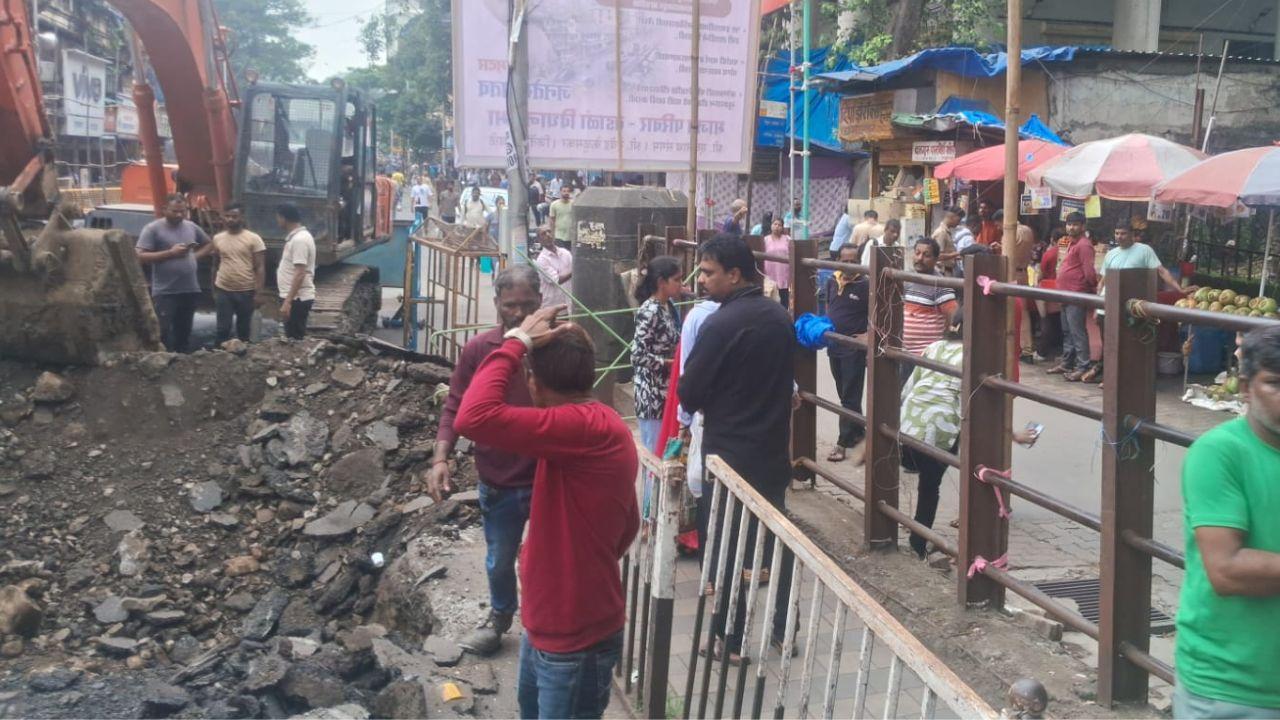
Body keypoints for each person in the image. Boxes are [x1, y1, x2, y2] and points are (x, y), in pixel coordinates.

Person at [453, 307, 639, 720]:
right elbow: (629, 522)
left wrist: (514, 342)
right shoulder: (596, 424)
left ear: (533, 383)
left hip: (574, 640)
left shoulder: (580, 428)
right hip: (550, 627)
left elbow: (472, 416)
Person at [678, 234, 795, 663]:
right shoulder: (778, 316)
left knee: (728, 548)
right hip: (770, 451)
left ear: (735, 274)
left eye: (708, 272)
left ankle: (730, 639)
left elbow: (689, 393)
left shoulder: (719, 324)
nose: (702, 280)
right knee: (776, 542)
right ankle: (785, 628)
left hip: (728, 456)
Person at [429, 266, 542, 657]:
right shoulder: (481, 350)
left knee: (544, 561)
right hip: (498, 479)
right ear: (496, 304)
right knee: (499, 560)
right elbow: (455, 403)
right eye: (511, 305)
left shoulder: (554, 346)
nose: (519, 313)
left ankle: (543, 627)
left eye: (528, 305)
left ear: (541, 303)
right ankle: (499, 617)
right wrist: (440, 458)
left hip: (546, 477)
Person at [1174, 325, 1280, 719]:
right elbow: (1227, 571)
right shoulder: (1219, 453)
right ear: (1245, 388)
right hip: (1232, 688)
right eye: (1275, 383)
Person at [899, 319, 1039, 558]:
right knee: (930, 486)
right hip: (941, 427)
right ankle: (918, 543)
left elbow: (907, 389)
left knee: (920, 474)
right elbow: (976, 406)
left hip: (910, 420)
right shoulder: (974, 357)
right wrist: (1014, 435)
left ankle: (909, 531)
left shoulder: (934, 346)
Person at [135, 193, 210, 353]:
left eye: (183, 211)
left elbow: (209, 244)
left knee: (184, 331)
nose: (179, 215)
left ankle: (181, 364)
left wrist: (194, 257)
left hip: (189, 289)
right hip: (165, 291)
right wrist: (171, 253)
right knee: (162, 331)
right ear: (164, 210)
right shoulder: (152, 229)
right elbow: (139, 256)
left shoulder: (191, 226)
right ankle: (163, 361)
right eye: (175, 211)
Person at [632, 256, 683, 452]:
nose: (681, 285)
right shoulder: (650, 310)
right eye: (677, 280)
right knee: (655, 455)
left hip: (667, 393)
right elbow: (637, 355)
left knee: (668, 454)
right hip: (652, 396)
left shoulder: (669, 306)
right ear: (662, 282)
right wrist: (667, 363)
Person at [824, 243, 869, 463]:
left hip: (853, 348)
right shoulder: (833, 280)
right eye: (845, 261)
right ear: (838, 261)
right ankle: (860, 434)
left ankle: (842, 443)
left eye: (853, 261)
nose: (849, 265)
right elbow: (828, 305)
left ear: (859, 261)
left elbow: (878, 314)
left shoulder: (865, 284)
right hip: (834, 345)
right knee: (844, 393)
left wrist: (868, 335)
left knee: (850, 396)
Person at [205, 204, 265, 344]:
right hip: (224, 290)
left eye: (234, 216)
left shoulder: (253, 239)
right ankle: (218, 357)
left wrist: (259, 293)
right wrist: (214, 289)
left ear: (242, 218)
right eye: (227, 216)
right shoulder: (218, 238)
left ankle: (242, 361)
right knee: (222, 329)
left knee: (243, 330)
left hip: (246, 290)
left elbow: (260, 267)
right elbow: (214, 264)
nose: (230, 219)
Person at [1047, 212, 1097, 381]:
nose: (1071, 227)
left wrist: (1089, 288)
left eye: (1075, 224)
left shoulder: (1084, 245)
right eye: (1069, 224)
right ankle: (1067, 362)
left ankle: (1083, 366)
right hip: (1065, 293)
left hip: (1076, 293)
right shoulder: (1071, 243)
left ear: (1083, 226)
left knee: (1077, 331)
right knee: (1067, 330)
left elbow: (1089, 272)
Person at [902, 236, 959, 358]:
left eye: (926, 255)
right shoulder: (908, 279)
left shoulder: (940, 285)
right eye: (917, 253)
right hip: (905, 353)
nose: (920, 258)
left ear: (936, 259)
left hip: (926, 355)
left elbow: (953, 317)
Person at [275, 203, 317, 340]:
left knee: (294, 338)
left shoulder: (300, 240)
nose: (277, 221)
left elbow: (300, 273)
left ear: (283, 218)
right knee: (292, 336)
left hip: (297, 299)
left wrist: (288, 301)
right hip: (294, 297)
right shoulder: (297, 238)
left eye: (278, 217)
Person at [534, 226, 573, 309]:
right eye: (543, 234)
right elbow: (556, 280)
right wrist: (575, 268)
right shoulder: (542, 260)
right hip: (552, 307)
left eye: (549, 232)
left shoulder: (565, 253)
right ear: (539, 240)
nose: (548, 235)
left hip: (568, 304)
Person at [762, 217, 792, 307]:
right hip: (770, 273)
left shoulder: (787, 239)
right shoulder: (765, 240)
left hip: (784, 274)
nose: (777, 227)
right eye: (775, 224)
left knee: (784, 299)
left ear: (782, 227)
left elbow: (792, 253)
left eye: (779, 225)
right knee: (770, 299)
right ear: (771, 226)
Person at [931, 205, 964, 275]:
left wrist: (955, 256)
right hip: (942, 271)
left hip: (947, 270)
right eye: (958, 220)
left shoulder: (947, 232)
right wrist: (957, 253)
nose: (959, 223)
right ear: (952, 217)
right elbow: (938, 256)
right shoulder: (942, 232)